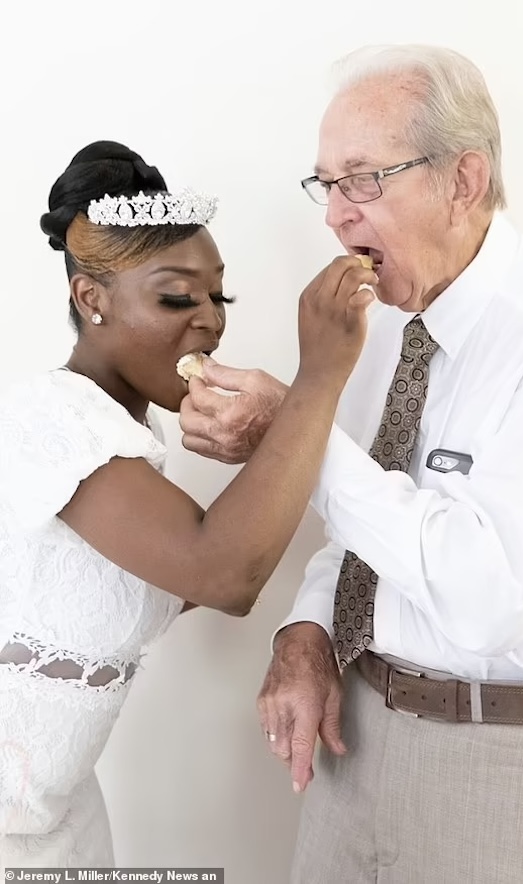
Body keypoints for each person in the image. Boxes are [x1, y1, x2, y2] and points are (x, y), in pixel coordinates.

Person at [180, 45, 523, 882]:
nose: (334, 216)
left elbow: (490, 594)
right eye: (326, 184)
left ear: (463, 179)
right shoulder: (384, 318)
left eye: (363, 178)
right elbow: (366, 520)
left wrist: (292, 429)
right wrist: (308, 631)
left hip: (521, 772)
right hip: (358, 739)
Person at [0, 140, 377, 867]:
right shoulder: (51, 421)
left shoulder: (124, 439)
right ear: (92, 299)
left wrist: (279, 445)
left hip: (62, 814)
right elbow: (223, 573)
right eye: (177, 297)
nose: (209, 320)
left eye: (217, 297)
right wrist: (321, 375)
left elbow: (203, 564)